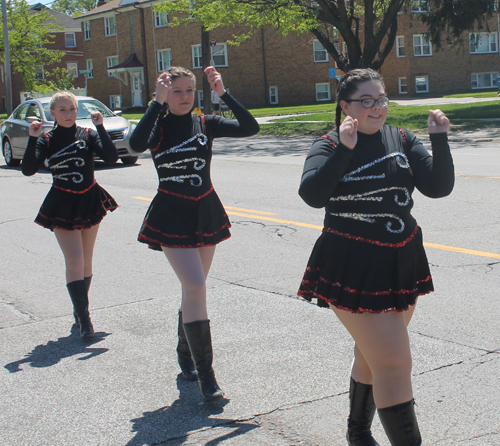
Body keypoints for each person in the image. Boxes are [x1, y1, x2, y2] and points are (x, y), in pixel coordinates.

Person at [297, 69, 454, 446]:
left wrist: (439, 139)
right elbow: (312, 194)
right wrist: (346, 149)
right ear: (345, 106)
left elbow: (438, 186)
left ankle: (357, 433)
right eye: (365, 101)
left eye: (380, 99)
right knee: (395, 363)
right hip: (352, 264)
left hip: (402, 261)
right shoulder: (329, 145)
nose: (376, 107)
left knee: (374, 357)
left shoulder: (400, 137)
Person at [129, 66, 259, 401]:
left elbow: (250, 127)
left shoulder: (206, 123)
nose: (185, 96)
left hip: (205, 210)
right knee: (196, 285)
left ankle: (185, 355)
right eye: (177, 91)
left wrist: (223, 93)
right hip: (171, 214)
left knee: (194, 289)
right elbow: (134, 144)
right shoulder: (157, 126)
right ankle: (207, 377)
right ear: (165, 94)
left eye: (189, 90)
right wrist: (156, 105)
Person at [22, 91, 119, 339]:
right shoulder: (47, 138)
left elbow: (111, 157)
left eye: (72, 109)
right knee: (74, 259)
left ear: (78, 111)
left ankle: (79, 311)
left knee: (86, 261)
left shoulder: (87, 134)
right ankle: (85, 319)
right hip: (62, 202)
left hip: (89, 198)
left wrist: (101, 127)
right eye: (62, 110)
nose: (68, 114)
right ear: (52, 113)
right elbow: (28, 170)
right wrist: (32, 139)